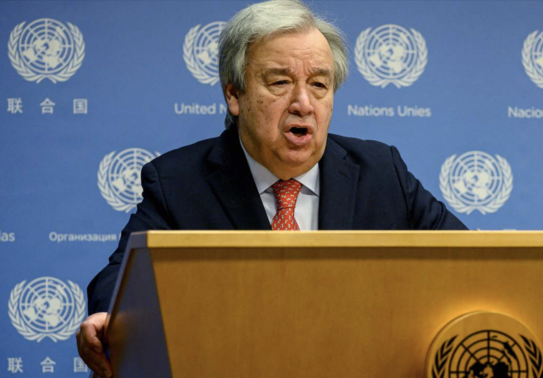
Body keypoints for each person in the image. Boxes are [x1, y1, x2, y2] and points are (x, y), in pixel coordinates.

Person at [76, 0, 467, 376]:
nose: (303, 103)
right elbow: (121, 279)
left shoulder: (382, 172)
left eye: (319, 85)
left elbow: (469, 262)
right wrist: (110, 318)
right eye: (280, 82)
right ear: (234, 94)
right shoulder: (178, 181)